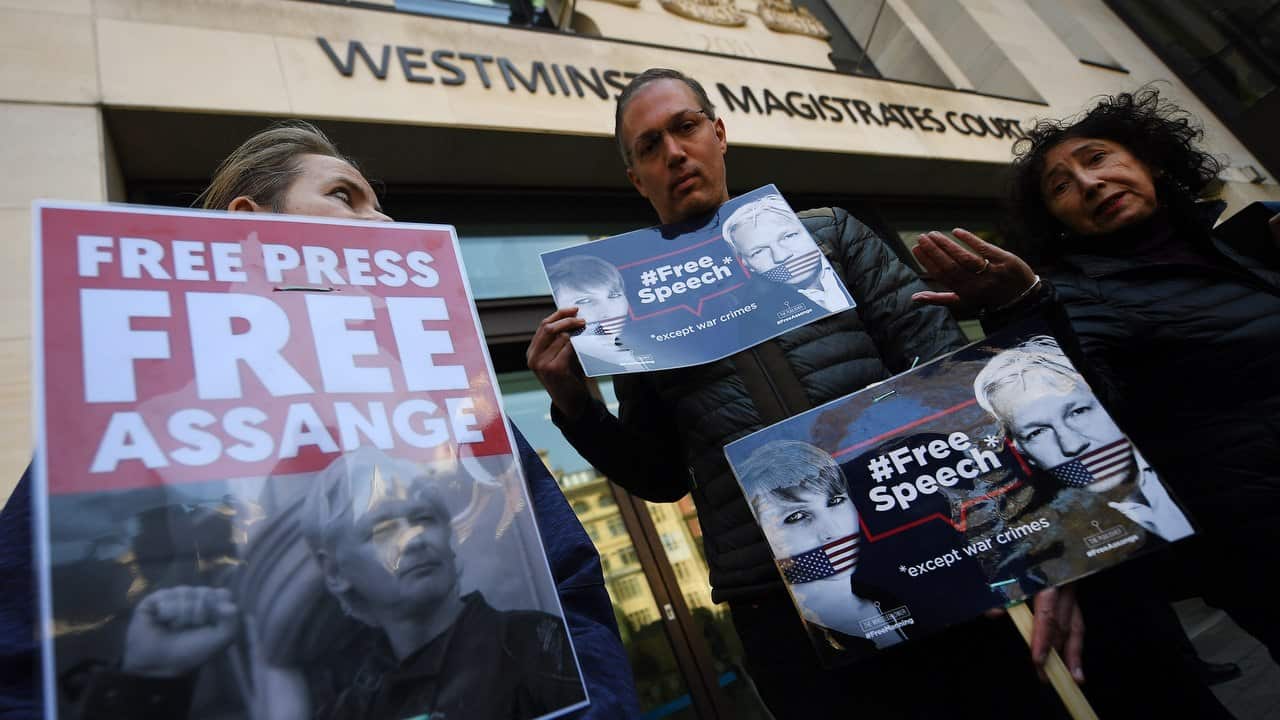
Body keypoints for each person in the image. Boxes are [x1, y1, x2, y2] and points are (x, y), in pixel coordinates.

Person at [0, 120, 640, 720]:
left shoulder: (450, 402)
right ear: (251, 232)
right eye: (345, 197)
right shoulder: (133, 433)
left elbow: (570, 589)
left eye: (376, 203)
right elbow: (33, 653)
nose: (381, 219)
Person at [528, 67, 1077, 718]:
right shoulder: (635, 311)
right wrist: (575, 407)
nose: (673, 152)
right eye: (649, 146)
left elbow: (948, 374)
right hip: (778, 599)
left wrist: (1022, 539)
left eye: (685, 127)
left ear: (719, 134)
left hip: (935, 544)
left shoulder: (828, 235)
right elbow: (660, 476)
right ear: (636, 178)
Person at [911, 88, 1280, 667]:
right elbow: (1090, 410)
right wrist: (1022, 309)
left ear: (1150, 162)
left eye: (1098, 158)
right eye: (1060, 186)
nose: (1087, 182)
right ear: (1054, 218)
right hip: (1257, 542)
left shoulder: (1239, 249)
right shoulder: (1073, 295)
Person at [97, 447, 587, 720]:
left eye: (423, 518)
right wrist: (149, 681)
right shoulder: (352, 707)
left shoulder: (536, 646)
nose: (414, 539)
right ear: (333, 571)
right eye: (381, 528)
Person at [974, 335, 1192, 542]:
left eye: (1078, 411)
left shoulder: (1190, 447)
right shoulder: (1050, 545)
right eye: (1036, 432)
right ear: (1023, 451)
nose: (1072, 444)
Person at [737, 440, 904, 654]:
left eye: (835, 501)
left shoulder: (892, 595)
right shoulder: (785, 640)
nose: (831, 530)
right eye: (797, 516)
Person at [722, 193, 853, 312]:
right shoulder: (754, 315)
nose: (781, 256)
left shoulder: (840, 229)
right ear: (747, 264)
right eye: (758, 251)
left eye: (789, 236)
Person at [546, 254, 653, 373]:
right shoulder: (573, 363)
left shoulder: (644, 349)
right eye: (585, 301)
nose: (607, 311)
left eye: (614, 295)